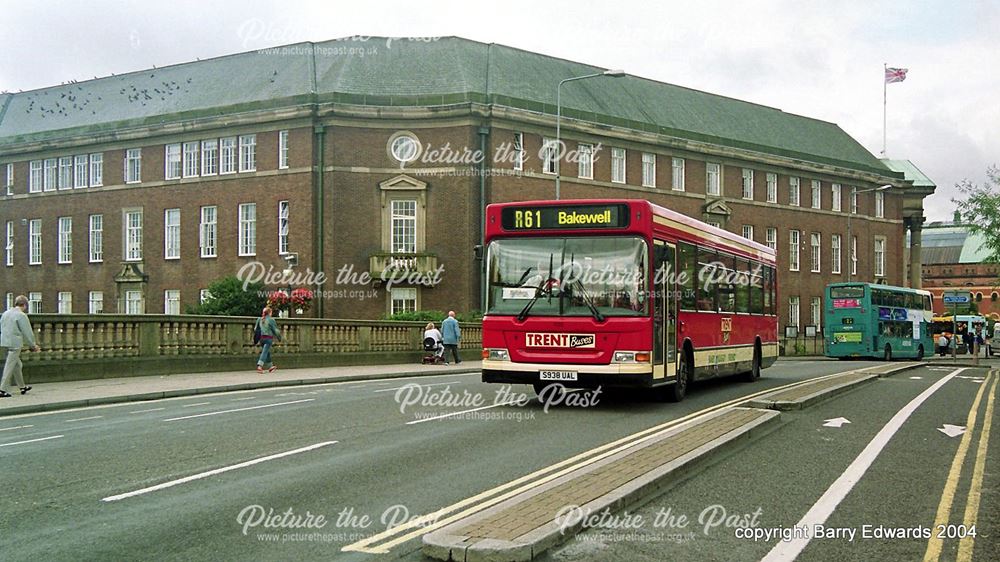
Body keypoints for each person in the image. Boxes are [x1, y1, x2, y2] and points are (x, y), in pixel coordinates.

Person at [1, 295, 40, 398]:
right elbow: (27, 332)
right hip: (15, 343)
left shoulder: (6, 313)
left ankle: (22, 386)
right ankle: (2, 389)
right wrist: (33, 345)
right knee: (9, 366)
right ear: (25, 305)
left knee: (17, 365)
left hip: (4, 342)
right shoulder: (21, 315)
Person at [254, 307, 282, 373]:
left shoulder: (259, 319)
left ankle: (270, 366)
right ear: (269, 313)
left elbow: (255, 329)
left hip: (261, 338)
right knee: (265, 351)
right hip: (268, 338)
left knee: (266, 351)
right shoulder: (271, 320)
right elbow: (276, 331)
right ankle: (260, 366)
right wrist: (279, 338)